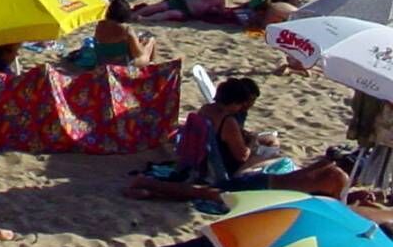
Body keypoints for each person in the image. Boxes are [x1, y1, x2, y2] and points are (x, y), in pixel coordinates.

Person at [125, 77, 347, 202]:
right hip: (225, 172)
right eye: (242, 103)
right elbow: (242, 155)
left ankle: (148, 187)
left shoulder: (206, 109)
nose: (243, 107)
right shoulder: (228, 121)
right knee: (215, 192)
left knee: (212, 192)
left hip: (203, 164)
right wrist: (252, 143)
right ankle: (147, 185)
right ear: (234, 103)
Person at [93, 0, 156, 66]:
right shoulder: (126, 30)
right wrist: (142, 44)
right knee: (151, 40)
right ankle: (152, 64)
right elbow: (138, 54)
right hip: (124, 65)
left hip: (102, 62)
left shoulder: (100, 25)